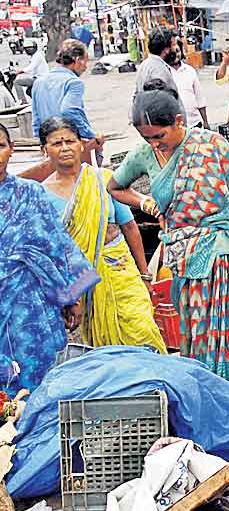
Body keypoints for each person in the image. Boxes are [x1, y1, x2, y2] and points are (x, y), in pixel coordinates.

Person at [107, 85, 229, 390]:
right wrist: (146, 203)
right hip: (182, 257)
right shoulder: (144, 153)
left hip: (222, 255)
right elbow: (115, 186)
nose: (155, 144)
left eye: (159, 136)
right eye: (147, 138)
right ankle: (204, 401)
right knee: (194, 335)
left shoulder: (212, 145)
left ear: (179, 121)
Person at [37, 117, 166, 351]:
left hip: (121, 270)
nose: (65, 148)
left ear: (81, 144)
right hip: (84, 283)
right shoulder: (41, 195)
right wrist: (65, 297)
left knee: (142, 329)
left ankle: (157, 383)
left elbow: (129, 227)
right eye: (57, 143)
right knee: (103, 345)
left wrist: (145, 275)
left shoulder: (102, 179)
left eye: (70, 141)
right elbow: (51, 250)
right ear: (44, 149)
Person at [0, 123, 98, 396]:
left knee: (44, 378)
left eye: (0, 146)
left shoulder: (30, 193)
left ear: (12, 150)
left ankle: (46, 430)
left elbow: (57, 246)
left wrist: (70, 297)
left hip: (33, 305)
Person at [32, 39, 102, 163]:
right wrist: (91, 135)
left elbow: (36, 120)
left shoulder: (39, 82)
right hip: (68, 141)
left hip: (50, 143)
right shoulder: (73, 82)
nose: (86, 67)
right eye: (85, 61)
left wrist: (42, 143)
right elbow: (69, 111)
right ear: (77, 60)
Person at [171, 41, 210, 129]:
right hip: (175, 127)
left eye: (178, 51)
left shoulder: (190, 71)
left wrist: (205, 122)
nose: (176, 55)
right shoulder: (165, 72)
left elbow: (199, 98)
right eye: (173, 52)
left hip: (194, 123)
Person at [135, 27, 179, 94]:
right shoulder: (159, 70)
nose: (176, 48)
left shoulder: (144, 65)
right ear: (166, 50)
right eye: (173, 45)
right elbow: (161, 101)